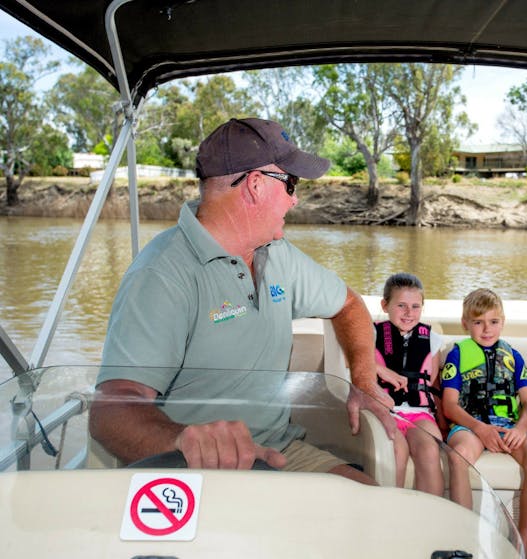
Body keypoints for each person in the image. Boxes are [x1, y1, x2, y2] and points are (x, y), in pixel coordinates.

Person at [89, 117, 393, 483]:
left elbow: (348, 305)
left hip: (282, 451)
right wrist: (184, 442)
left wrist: (363, 382)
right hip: (192, 469)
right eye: (291, 184)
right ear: (255, 185)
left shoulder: (278, 253)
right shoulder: (162, 273)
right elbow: (111, 409)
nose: (295, 199)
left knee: (371, 502)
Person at [440, 288, 527, 554]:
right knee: (458, 456)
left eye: (493, 322)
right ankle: (463, 541)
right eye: (478, 322)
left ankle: (521, 544)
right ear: (466, 324)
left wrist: (523, 427)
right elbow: (450, 405)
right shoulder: (458, 355)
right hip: (470, 425)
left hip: (508, 425)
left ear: (502, 322)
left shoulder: (514, 356)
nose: (486, 329)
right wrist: (480, 428)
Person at [374, 272, 445, 495]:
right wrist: (379, 369)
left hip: (420, 414)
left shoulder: (432, 339)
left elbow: (433, 385)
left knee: (429, 450)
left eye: (415, 306)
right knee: (397, 450)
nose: (408, 313)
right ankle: (389, 514)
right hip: (384, 410)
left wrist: (444, 425)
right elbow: (354, 364)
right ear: (385, 305)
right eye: (401, 305)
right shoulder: (370, 333)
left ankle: (430, 515)